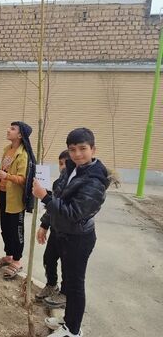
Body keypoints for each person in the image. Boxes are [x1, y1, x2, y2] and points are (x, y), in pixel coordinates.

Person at [33, 128, 110, 337]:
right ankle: (67, 320)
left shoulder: (95, 180)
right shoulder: (71, 167)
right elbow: (60, 196)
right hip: (63, 233)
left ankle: (73, 330)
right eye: (72, 149)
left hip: (78, 238)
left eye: (83, 149)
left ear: (93, 149)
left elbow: (74, 213)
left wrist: (44, 198)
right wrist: (45, 224)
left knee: (75, 285)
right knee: (68, 282)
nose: (77, 154)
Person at [0, 121, 36, 279]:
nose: (8, 130)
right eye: (9, 127)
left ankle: (17, 261)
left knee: (16, 230)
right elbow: (4, 170)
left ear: (20, 135)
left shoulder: (23, 154)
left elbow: (24, 179)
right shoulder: (7, 150)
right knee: (5, 227)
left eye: (12, 129)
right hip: (4, 195)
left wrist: (6, 176)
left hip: (15, 199)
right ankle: (9, 255)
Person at [35, 150, 70, 306]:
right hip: (56, 230)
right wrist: (44, 225)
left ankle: (65, 293)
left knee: (67, 265)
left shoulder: (77, 185)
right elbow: (52, 208)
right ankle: (51, 284)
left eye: (66, 164)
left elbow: (68, 211)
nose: (63, 167)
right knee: (49, 258)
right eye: (61, 164)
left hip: (71, 234)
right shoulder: (58, 184)